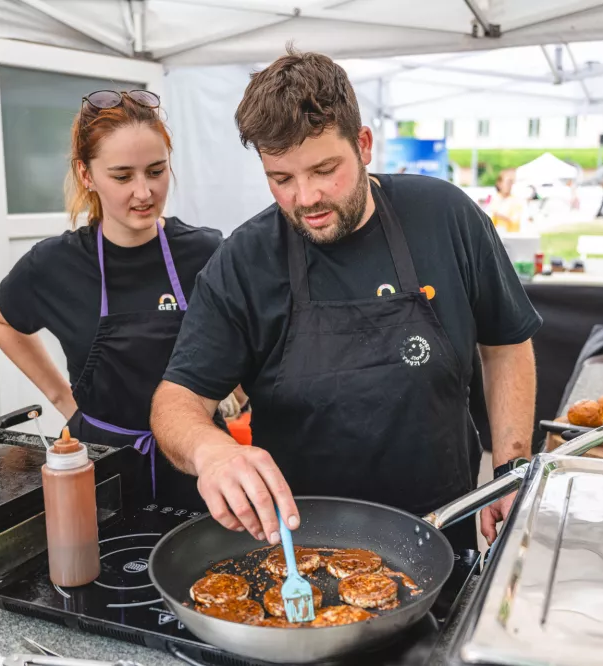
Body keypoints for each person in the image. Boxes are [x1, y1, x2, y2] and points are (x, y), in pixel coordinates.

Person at [151, 49, 542, 552]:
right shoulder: (244, 261)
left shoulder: (446, 217)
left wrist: (509, 469)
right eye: (281, 179)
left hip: (442, 531)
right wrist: (211, 450)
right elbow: (175, 402)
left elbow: (506, 342)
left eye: (323, 169)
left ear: (363, 144)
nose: (306, 197)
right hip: (299, 552)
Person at [0, 90, 222, 509]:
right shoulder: (54, 265)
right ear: (86, 174)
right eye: (123, 176)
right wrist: (63, 400)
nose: (144, 192)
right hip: (100, 467)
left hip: (198, 465)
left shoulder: (205, 252)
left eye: (156, 170)